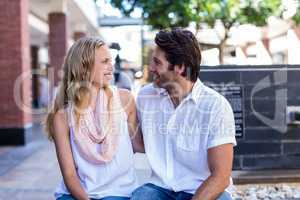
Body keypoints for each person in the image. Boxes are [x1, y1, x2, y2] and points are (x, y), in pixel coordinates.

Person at [132, 28, 237, 200]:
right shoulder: (145, 97)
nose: (151, 68)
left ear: (180, 67)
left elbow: (221, 176)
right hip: (159, 188)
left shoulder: (215, 106)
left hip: (201, 188)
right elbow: (137, 143)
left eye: (157, 63)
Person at [44, 37, 141, 200]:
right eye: (104, 61)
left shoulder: (125, 100)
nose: (112, 67)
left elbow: (138, 144)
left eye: (111, 60)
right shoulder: (62, 116)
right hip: (77, 194)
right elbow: (69, 175)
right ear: (84, 67)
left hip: (119, 192)